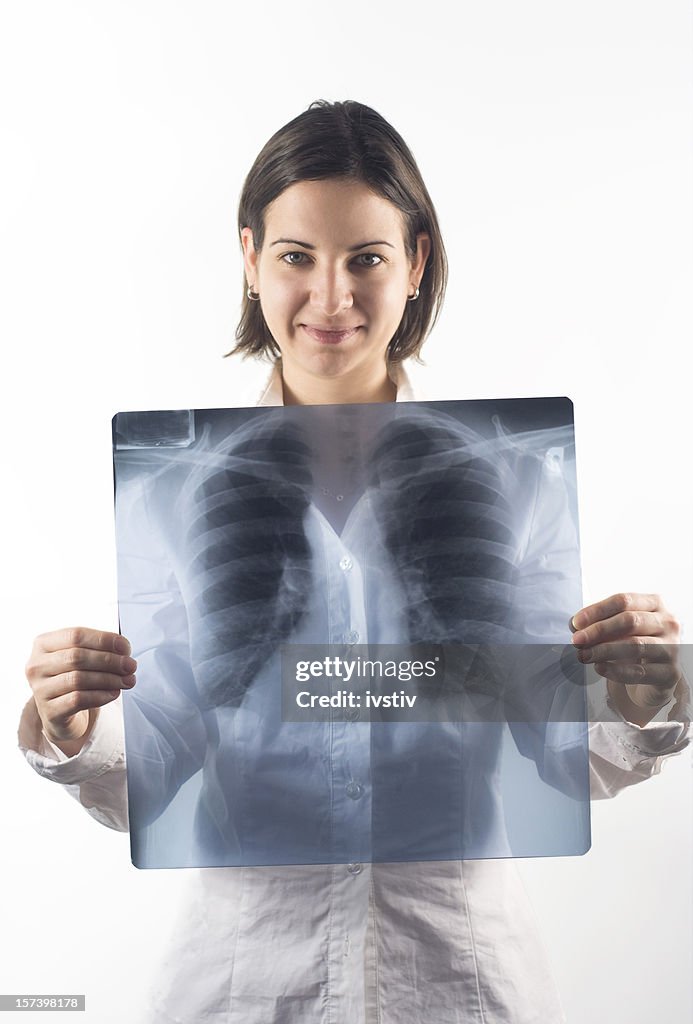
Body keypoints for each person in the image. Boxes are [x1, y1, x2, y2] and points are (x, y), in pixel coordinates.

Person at [20, 100, 690, 1023]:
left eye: (366, 258)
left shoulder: (513, 481)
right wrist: (72, 722)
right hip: (246, 982)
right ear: (249, 259)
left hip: (455, 980)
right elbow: (158, 760)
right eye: (296, 256)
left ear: (414, 264)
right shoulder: (174, 491)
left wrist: (641, 691)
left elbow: (562, 747)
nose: (331, 299)